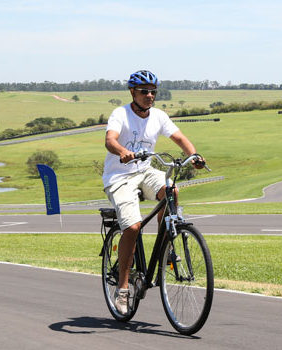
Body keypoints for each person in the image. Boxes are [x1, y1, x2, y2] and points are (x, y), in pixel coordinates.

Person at [102, 70, 204, 314]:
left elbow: (179, 137)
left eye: (153, 92)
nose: (149, 96)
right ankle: (124, 289)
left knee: (172, 190)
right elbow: (110, 140)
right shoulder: (121, 114)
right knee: (133, 227)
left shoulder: (158, 116)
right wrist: (122, 151)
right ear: (132, 93)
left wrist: (194, 155)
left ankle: (166, 245)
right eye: (144, 91)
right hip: (120, 175)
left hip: (145, 171)